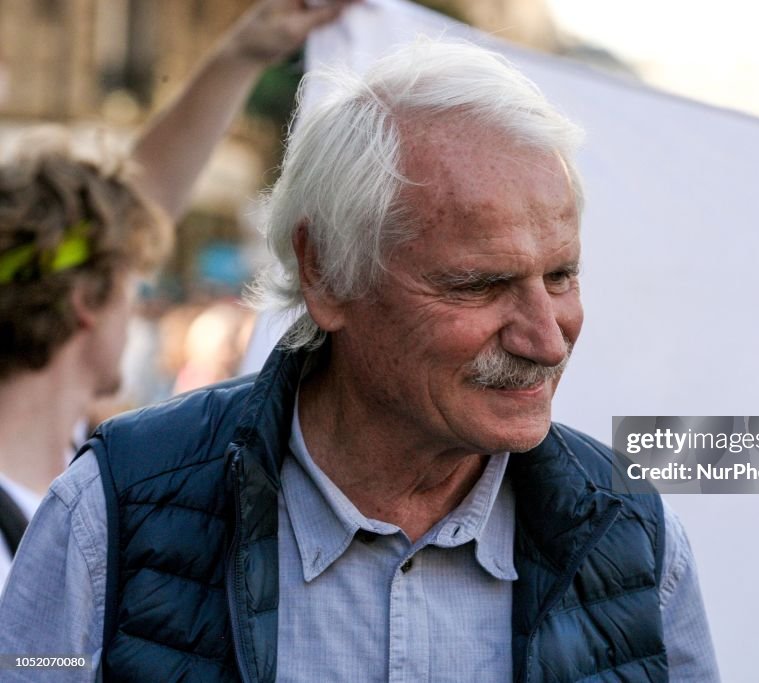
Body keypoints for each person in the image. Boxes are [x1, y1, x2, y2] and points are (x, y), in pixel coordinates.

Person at [0, 39, 720, 681]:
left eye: (561, 276)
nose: (547, 338)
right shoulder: (114, 512)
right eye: (479, 284)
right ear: (327, 274)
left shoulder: (635, 543)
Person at [0, 0, 352, 590]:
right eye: (133, 285)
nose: (139, 303)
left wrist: (243, 52)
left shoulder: (85, 463)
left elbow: (139, 204)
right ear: (88, 300)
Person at [0, 133, 172, 589]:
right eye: (130, 290)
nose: (133, 314)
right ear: (86, 301)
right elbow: (52, 666)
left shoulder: (97, 466)